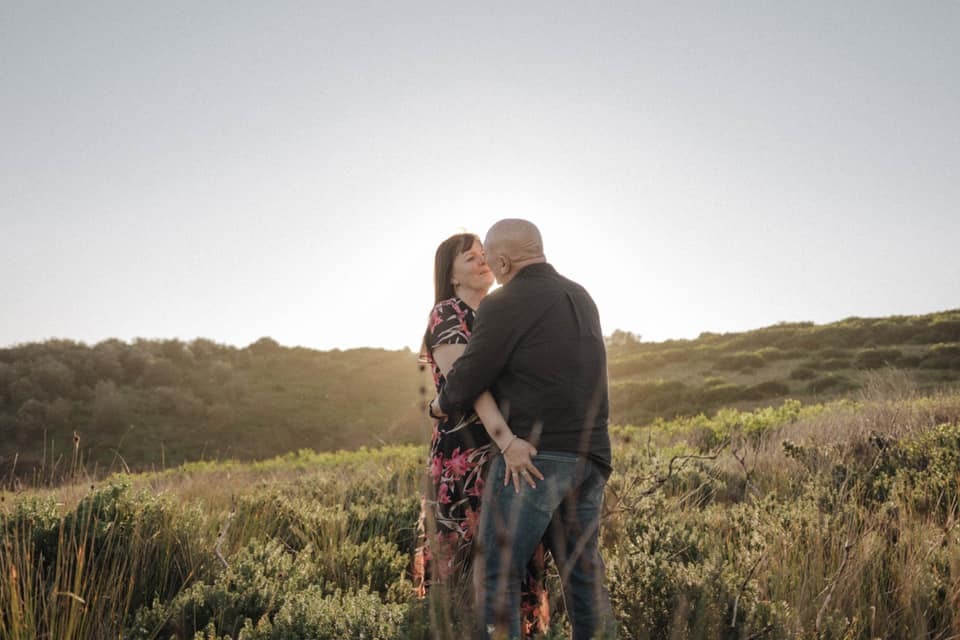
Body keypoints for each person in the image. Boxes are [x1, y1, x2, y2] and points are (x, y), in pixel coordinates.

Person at [431, 219, 615, 640]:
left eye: (489, 256)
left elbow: (468, 376)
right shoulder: (581, 295)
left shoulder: (503, 304)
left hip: (535, 460)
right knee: (584, 578)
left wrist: (438, 403)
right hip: (590, 458)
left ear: (504, 259)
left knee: (498, 576)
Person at [413, 232, 550, 636]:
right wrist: (505, 440)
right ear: (451, 275)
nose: (482, 261)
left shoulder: (500, 311)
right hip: (466, 455)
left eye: (483, 254)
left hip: (513, 452)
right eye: (470, 257)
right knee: (464, 551)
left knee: (513, 553)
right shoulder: (446, 313)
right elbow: (467, 385)